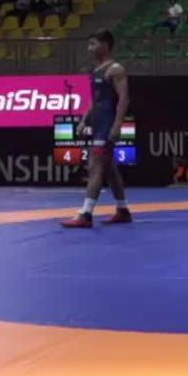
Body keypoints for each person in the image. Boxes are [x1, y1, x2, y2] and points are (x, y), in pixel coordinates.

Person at [61, 31, 132, 228]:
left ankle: (86, 214)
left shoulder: (115, 69)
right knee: (109, 169)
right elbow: (95, 100)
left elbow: (124, 99)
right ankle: (123, 210)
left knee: (96, 167)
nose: (89, 49)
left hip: (107, 124)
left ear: (105, 45)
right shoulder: (96, 71)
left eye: (92, 44)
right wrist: (84, 120)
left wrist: (117, 125)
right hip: (98, 123)